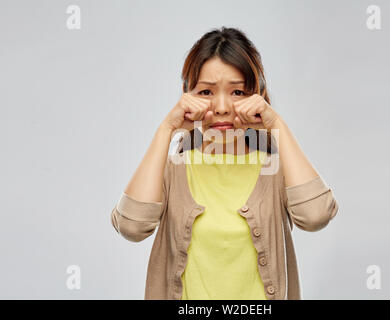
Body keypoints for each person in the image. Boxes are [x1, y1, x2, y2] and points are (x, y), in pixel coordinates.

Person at [110, 26, 339, 300]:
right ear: (187, 95)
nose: (221, 107)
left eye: (238, 92)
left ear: (257, 96)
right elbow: (131, 227)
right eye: (206, 92)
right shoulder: (173, 168)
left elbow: (316, 216)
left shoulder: (275, 170)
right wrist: (166, 130)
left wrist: (276, 125)